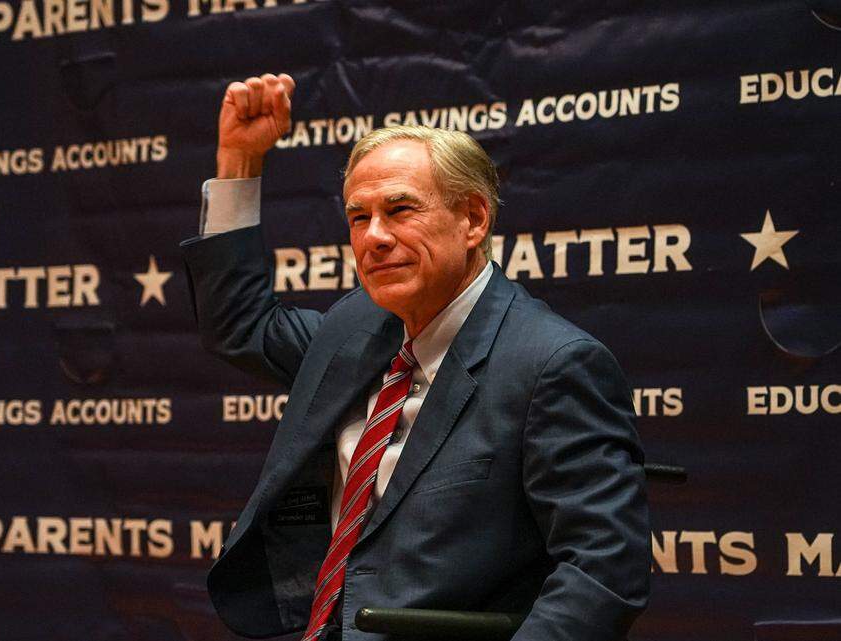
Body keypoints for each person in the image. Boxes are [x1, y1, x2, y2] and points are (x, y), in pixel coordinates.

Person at [181, 73, 650, 641]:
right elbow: (241, 324)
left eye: (401, 210)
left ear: (473, 219)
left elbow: (602, 569)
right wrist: (238, 161)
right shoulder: (354, 328)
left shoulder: (553, 363)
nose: (374, 237)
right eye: (359, 217)